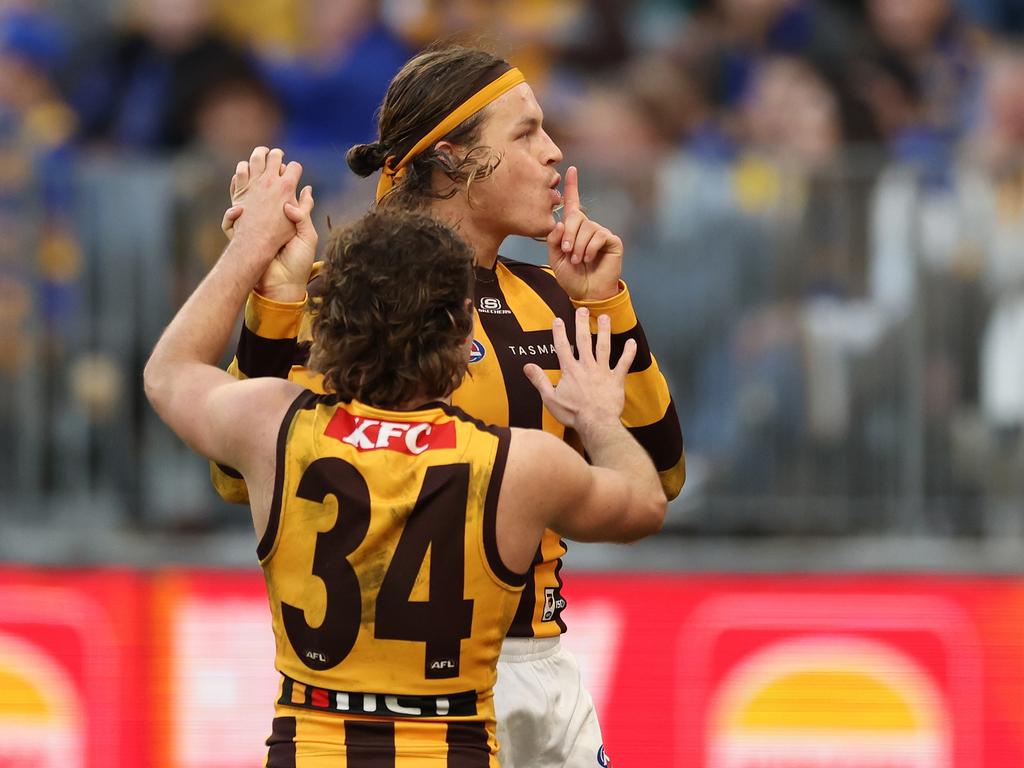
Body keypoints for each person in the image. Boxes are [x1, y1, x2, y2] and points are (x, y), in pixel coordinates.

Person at [216, 43, 685, 767]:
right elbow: (237, 476)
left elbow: (659, 478)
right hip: (415, 689)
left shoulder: (558, 295)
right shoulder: (353, 302)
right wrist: (274, 301)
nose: (555, 152)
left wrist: (604, 303)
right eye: (526, 133)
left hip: (545, 666)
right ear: (449, 160)